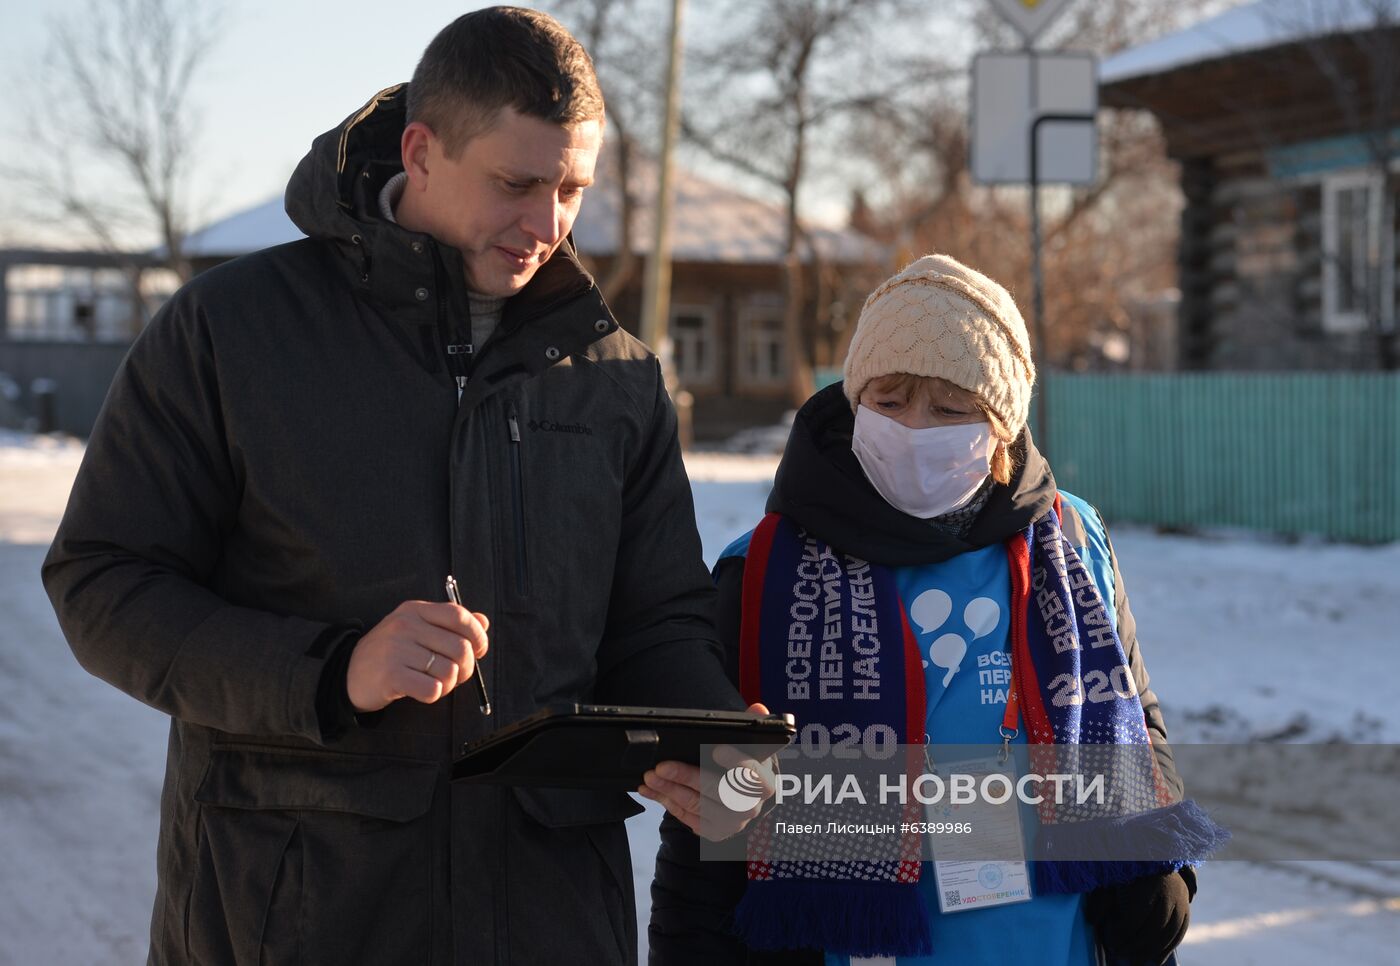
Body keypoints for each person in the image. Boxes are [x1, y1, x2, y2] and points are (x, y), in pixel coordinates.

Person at [42, 8, 759, 965]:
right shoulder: (231, 331)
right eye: (516, 183)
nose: (547, 225)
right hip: (295, 908)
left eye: (572, 190)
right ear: (421, 152)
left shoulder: (616, 377)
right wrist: (334, 672)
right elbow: (103, 583)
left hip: (548, 916)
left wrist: (706, 731)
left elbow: (657, 617)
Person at [649, 255, 1226, 965]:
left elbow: (1135, 716)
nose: (916, 429)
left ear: (1000, 435)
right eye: (890, 401)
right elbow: (704, 826)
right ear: (856, 403)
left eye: (951, 409)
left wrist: (1159, 877)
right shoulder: (763, 571)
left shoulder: (1071, 541)